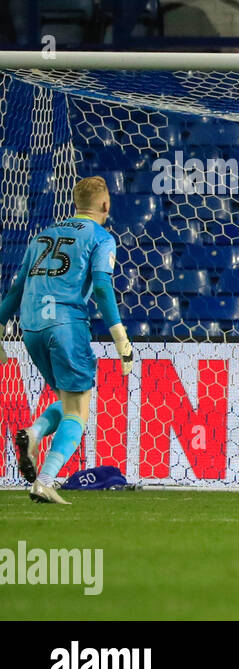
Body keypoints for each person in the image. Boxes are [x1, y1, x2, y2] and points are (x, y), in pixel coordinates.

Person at [0, 176, 134, 505]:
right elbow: (102, 287)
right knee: (78, 412)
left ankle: (33, 433)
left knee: (69, 399)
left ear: (76, 203)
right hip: (66, 324)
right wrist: (121, 338)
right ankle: (44, 481)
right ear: (105, 205)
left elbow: (15, 291)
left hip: (31, 327)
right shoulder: (101, 238)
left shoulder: (42, 237)